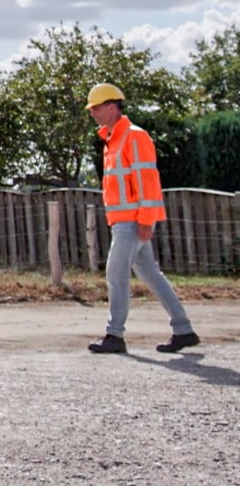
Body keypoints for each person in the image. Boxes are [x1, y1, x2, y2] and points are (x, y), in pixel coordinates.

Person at [84, 83, 200, 355]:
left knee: (116, 273)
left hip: (133, 221)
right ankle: (184, 330)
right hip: (125, 221)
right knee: (151, 274)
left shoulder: (134, 137)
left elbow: (147, 182)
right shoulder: (112, 140)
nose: (93, 114)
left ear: (112, 107)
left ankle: (115, 335)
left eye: (96, 108)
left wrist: (146, 220)